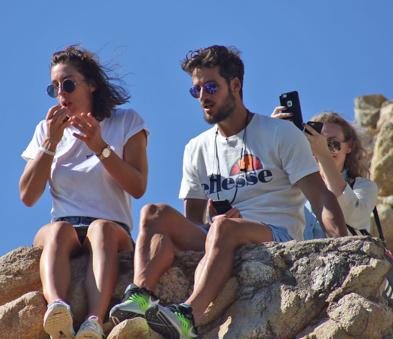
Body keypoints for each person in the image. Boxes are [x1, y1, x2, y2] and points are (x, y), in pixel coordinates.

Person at [109, 45, 346, 339]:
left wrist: (341, 245)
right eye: (196, 91)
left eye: (210, 87)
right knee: (153, 213)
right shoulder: (196, 148)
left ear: (235, 85)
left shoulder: (279, 133)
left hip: (277, 236)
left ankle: (188, 316)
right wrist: (212, 218)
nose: (203, 97)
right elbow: (192, 220)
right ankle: (140, 295)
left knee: (222, 228)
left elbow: (320, 195)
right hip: (223, 233)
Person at [19, 46, 148, 339]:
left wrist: (100, 148)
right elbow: (28, 195)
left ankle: (93, 321)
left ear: (91, 84)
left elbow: (138, 186)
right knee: (57, 232)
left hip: (111, 226)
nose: (61, 93)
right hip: (64, 224)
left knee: (101, 229)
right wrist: (49, 144)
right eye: (54, 88)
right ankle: (57, 311)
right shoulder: (47, 129)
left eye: (68, 84)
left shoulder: (126, 121)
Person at [271, 109, 378, 239]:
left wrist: (323, 155)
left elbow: (354, 215)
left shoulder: (364, 187)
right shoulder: (294, 189)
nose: (323, 148)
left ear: (349, 146)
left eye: (332, 144)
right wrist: (272, 138)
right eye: (313, 142)